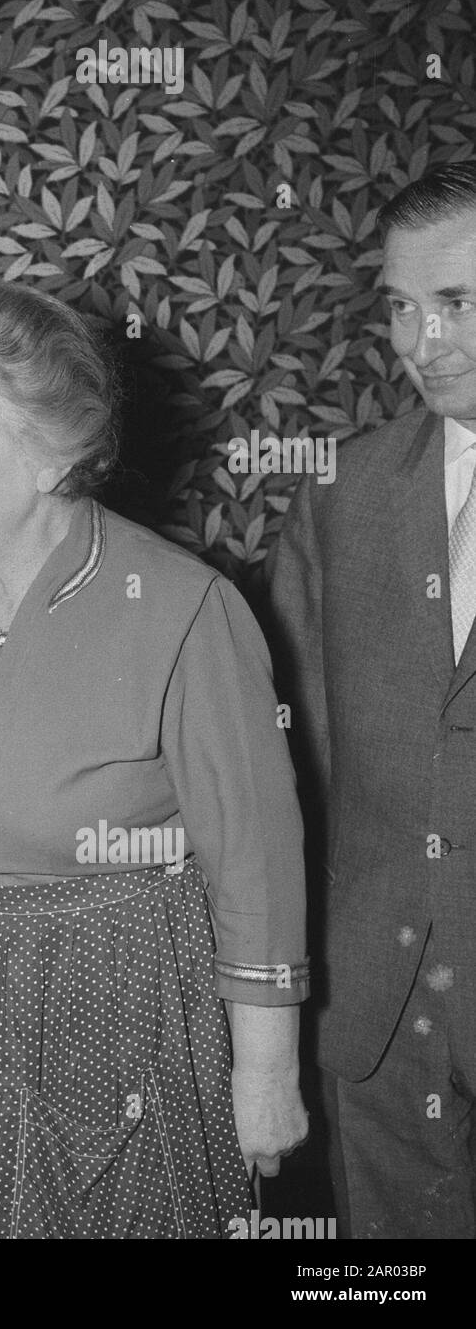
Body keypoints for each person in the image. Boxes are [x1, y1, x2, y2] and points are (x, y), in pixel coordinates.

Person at [0, 281, 309, 1238]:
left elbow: (254, 855)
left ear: (56, 456)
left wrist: (266, 1074)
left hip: (122, 1005)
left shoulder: (180, 608)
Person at [269, 161, 476, 1238]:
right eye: (399, 307)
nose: (416, 340)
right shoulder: (340, 497)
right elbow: (286, 757)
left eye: (454, 303)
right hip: (379, 1005)